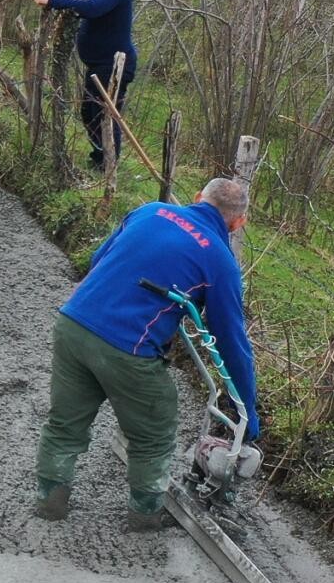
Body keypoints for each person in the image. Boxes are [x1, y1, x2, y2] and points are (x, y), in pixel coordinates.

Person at [33, 178, 262, 529]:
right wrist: (247, 412)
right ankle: (144, 516)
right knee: (154, 431)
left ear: (199, 197)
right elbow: (231, 342)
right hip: (128, 348)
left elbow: (98, 258)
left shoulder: (150, 210)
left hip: (72, 324)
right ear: (238, 222)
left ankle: (50, 502)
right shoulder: (220, 261)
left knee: (65, 422)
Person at [30, 0, 136, 171]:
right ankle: (99, 158)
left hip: (114, 65)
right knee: (89, 113)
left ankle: (108, 166)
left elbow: (92, 7)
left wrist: (51, 1)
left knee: (105, 116)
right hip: (100, 64)